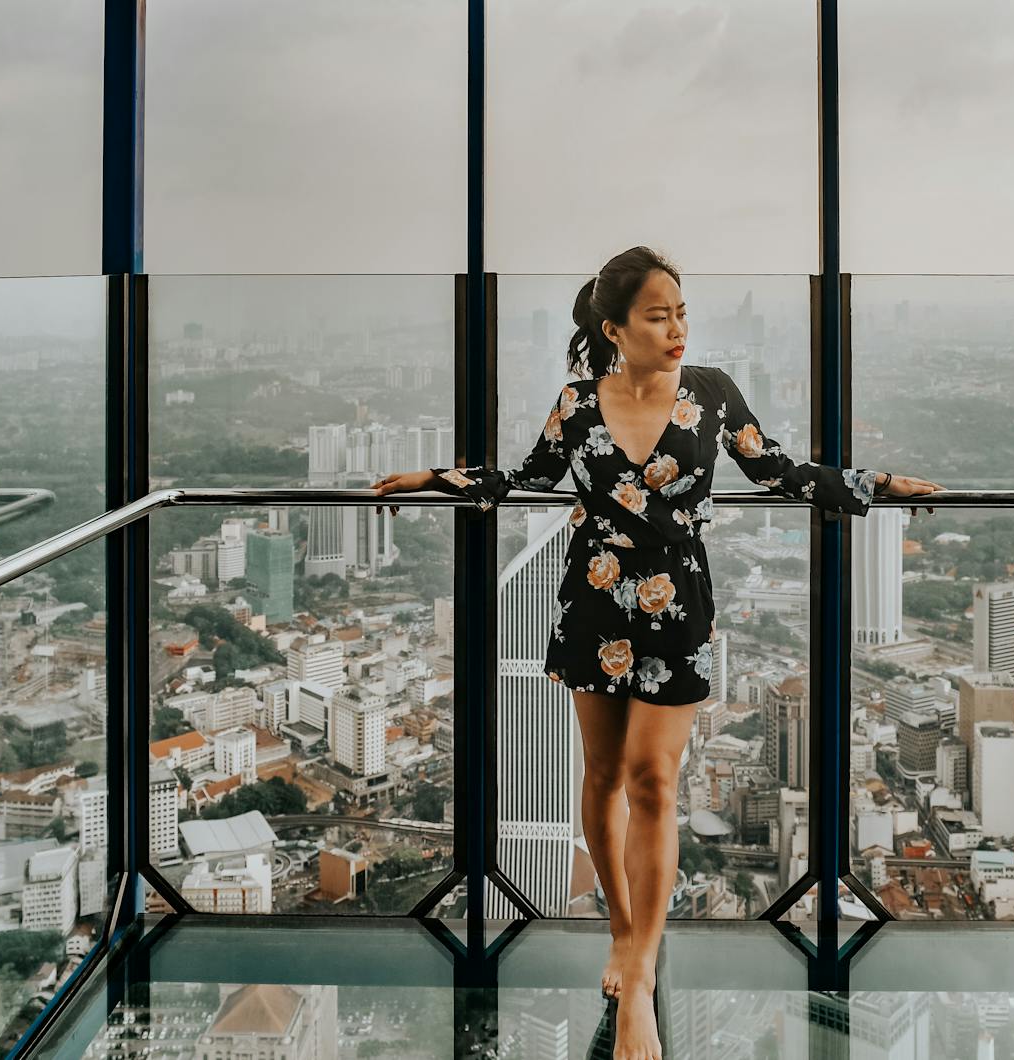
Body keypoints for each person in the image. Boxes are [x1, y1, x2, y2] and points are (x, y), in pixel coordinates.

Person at [373, 245, 940, 1060]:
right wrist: (434, 479)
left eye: (681, 312)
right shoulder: (576, 401)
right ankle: (621, 928)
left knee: (653, 778)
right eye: (658, 314)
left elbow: (776, 470)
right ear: (616, 327)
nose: (677, 328)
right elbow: (527, 478)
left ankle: (639, 973)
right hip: (593, 602)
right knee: (599, 776)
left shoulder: (710, 393)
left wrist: (879, 485)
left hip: (678, 607)